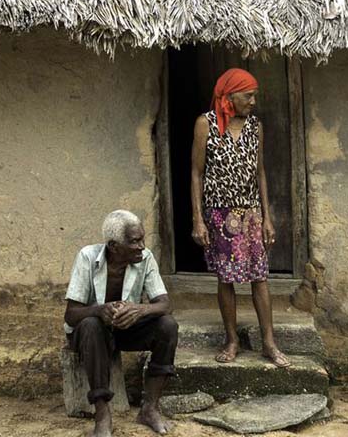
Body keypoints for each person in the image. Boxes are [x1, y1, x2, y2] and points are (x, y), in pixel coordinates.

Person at [190, 68, 291, 367]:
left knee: (260, 277)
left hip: (250, 214)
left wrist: (267, 217)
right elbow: (196, 173)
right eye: (248, 95)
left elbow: (260, 173)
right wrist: (198, 218)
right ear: (230, 96)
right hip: (219, 214)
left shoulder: (255, 127)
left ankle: (269, 343)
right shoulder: (205, 124)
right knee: (226, 278)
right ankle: (232, 340)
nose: (253, 101)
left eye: (254, 96)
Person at [64, 210, 178, 437]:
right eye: (134, 241)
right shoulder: (87, 257)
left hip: (125, 330)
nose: (141, 246)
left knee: (167, 325)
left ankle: (150, 408)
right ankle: (102, 414)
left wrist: (140, 309)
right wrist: (99, 310)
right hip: (90, 334)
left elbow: (165, 304)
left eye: (142, 239)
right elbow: (71, 315)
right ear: (114, 247)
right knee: (91, 325)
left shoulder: (145, 258)